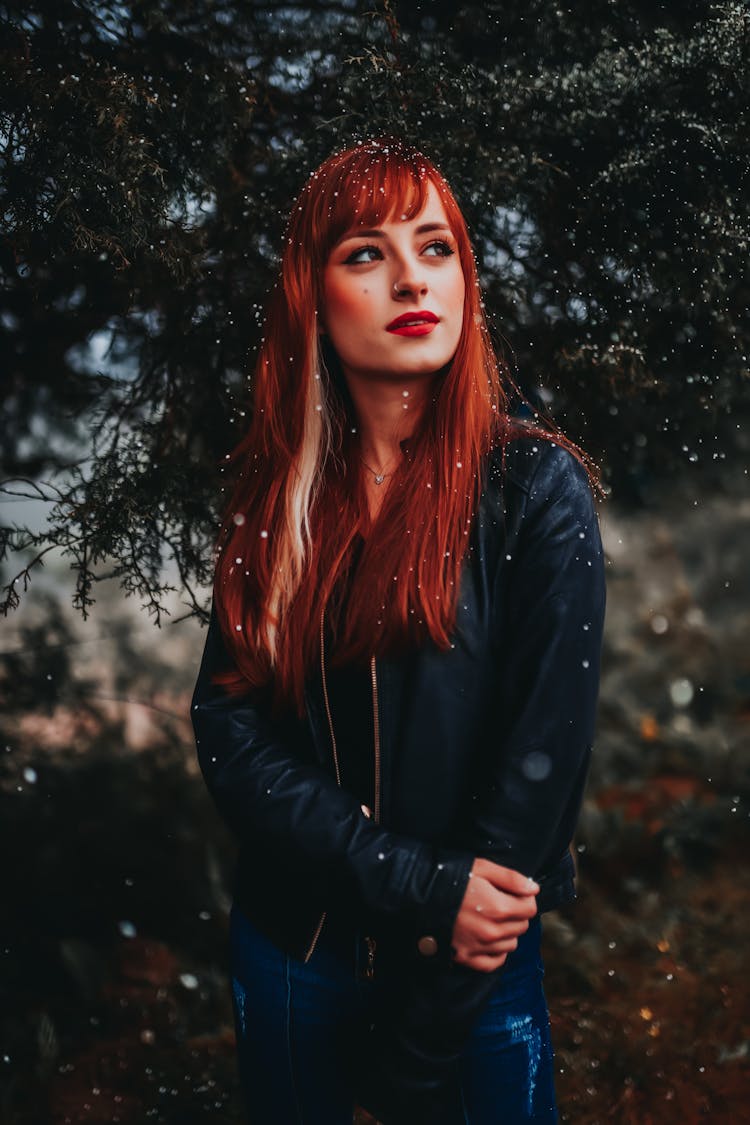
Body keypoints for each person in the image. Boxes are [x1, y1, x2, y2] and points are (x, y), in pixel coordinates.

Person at [190, 135, 606, 1125]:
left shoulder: (532, 493)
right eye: (366, 253)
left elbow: (530, 799)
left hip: (471, 980)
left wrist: (420, 1051)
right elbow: (230, 730)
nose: (413, 277)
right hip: (292, 957)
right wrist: (412, 882)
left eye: (436, 246)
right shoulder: (281, 495)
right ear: (314, 298)